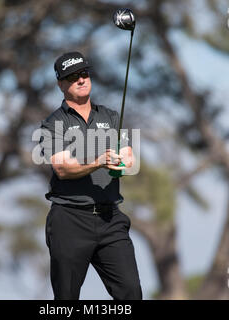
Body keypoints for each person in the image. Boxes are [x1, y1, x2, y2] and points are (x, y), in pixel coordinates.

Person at [39, 51, 142, 300]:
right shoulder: (53, 124)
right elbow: (62, 169)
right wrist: (98, 162)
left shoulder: (110, 116)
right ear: (61, 84)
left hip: (110, 219)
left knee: (131, 292)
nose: (81, 80)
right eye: (73, 77)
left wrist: (123, 163)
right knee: (66, 299)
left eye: (84, 74)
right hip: (70, 220)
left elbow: (129, 158)